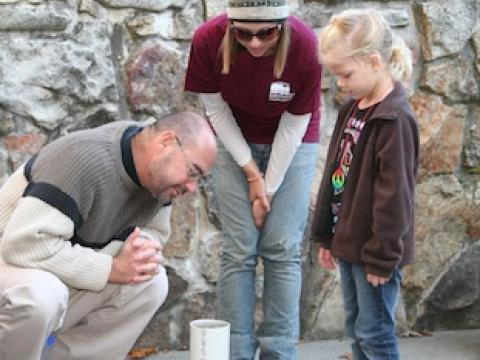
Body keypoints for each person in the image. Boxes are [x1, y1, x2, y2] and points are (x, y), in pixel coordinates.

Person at [0, 111, 217, 360]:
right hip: (11, 269)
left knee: (150, 281)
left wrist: (138, 252)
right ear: (166, 141)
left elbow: (154, 234)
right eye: (192, 171)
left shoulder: (156, 177)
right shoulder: (82, 158)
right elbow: (22, 245)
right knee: (41, 294)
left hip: (57, 275)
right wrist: (112, 268)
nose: (191, 188)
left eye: (199, 179)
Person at [184, 1, 322, 359]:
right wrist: (251, 173)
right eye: (243, 33)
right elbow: (215, 110)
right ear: (230, 25)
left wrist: (268, 187)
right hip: (233, 140)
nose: (256, 43)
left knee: (282, 248)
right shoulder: (206, 39)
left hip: (294, 140)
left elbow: (295, 124)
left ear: (283, 25)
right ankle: (235, 352)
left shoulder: (305, 44)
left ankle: (279, 351)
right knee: (240, 248)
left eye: (267, 33)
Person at [311, 8, 419, 360]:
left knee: (375, 333)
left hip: (376, 252)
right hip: (350, 243)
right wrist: (328, 235)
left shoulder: (395, 119)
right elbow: (335, 177)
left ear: (374, 61)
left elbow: (395, 199)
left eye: (344, 74)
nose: (339, 83)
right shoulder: (353, 109)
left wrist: (382, 259)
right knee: (357, 328)